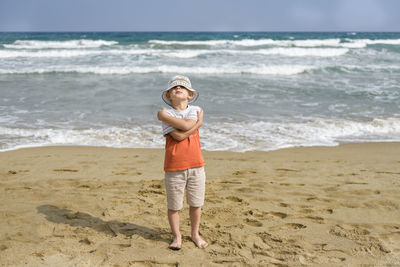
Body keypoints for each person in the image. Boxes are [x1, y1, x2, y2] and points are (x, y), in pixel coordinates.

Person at [157, 75, 208, 250]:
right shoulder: (166, 113)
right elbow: (180, 134)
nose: (178, 88)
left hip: (196, 165)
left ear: (190, 95)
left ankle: (195, 234)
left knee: (196, 203)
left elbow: (186, 126)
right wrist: (199, 123)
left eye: (182, 87)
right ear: (169, 95)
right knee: (174, 206)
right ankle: (177, 237)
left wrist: (194, 122)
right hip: (174, 167)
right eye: (174, 87)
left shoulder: (195, 109)